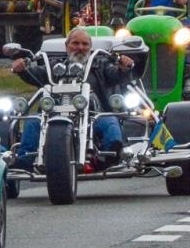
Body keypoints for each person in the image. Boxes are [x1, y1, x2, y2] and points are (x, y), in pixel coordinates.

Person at [10, 27, 133, 169]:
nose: (80, 48)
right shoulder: (55, 66)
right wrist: (22, 69)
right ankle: (24, 160)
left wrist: (123, 67)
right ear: (66, 46)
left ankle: (110, 157)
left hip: (93, 117)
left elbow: (115, 74)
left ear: (90, 47)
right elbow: (36, 74)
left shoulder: (100, 65)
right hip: (53, 116)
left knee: (110, 121)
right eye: (75, 43)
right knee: (32, 121)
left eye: (85, 44)